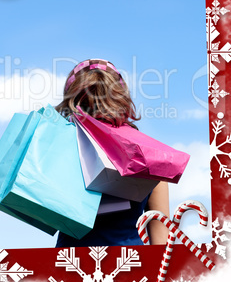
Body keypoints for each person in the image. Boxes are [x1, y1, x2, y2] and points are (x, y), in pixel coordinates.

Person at [55, 58, 170, 247]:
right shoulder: (150, 159)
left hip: (68, 267)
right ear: (120, 99)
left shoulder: (58, 153)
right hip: (130, 266)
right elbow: (161, 244)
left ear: (72, 102)